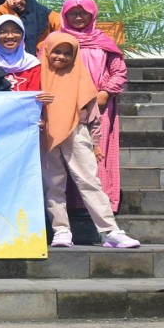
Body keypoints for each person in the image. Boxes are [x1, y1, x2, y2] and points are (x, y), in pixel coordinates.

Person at [39, 33, 139, 248]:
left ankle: (111, 231)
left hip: (77, 132)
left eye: (68, 53)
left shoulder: (80, 77)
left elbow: (93, 113)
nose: (61, 57)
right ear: (47, 51)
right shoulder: (38, 74)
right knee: (53, 184)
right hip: (46, 134)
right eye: (57, 51)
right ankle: (61, 230)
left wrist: (94, 142)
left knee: (89, 181)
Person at [57, 0, 127, 212]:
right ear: (64, 15)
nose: (78, 17)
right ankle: (71, 203)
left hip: (99, 105)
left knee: (97, 151)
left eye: (83, 13)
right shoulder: (56, 40)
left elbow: (119, 71)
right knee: (68, 152)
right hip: (65, 106)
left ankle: (101, 205)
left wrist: (106, 92)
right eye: (72, 13)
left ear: (92, 15)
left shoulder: (104, 42)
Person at [0, 15, 41, 91]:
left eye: (16, 31)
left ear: (22, 35)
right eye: (3, 32)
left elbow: (33, 93)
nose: (10, 36)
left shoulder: (31, 63)